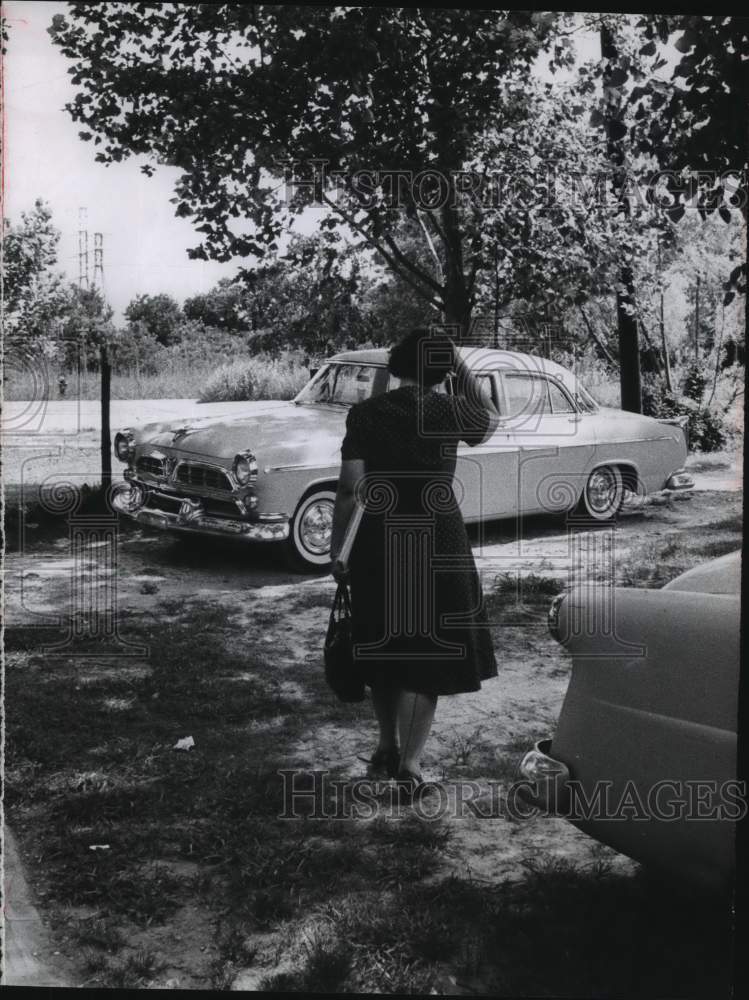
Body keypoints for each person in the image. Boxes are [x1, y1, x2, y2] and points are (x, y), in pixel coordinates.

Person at [329, 328, 500, 799]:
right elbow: (490, 421)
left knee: (384, 645)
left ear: (396, 366)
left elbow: (349, 488)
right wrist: (458, 362)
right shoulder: (450, 411)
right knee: (428, 652)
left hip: (376, 540)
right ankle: (411, 765)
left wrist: (337, 548)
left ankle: (387, 747)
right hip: (437, 539)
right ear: (444, 371)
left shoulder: (364, 414)